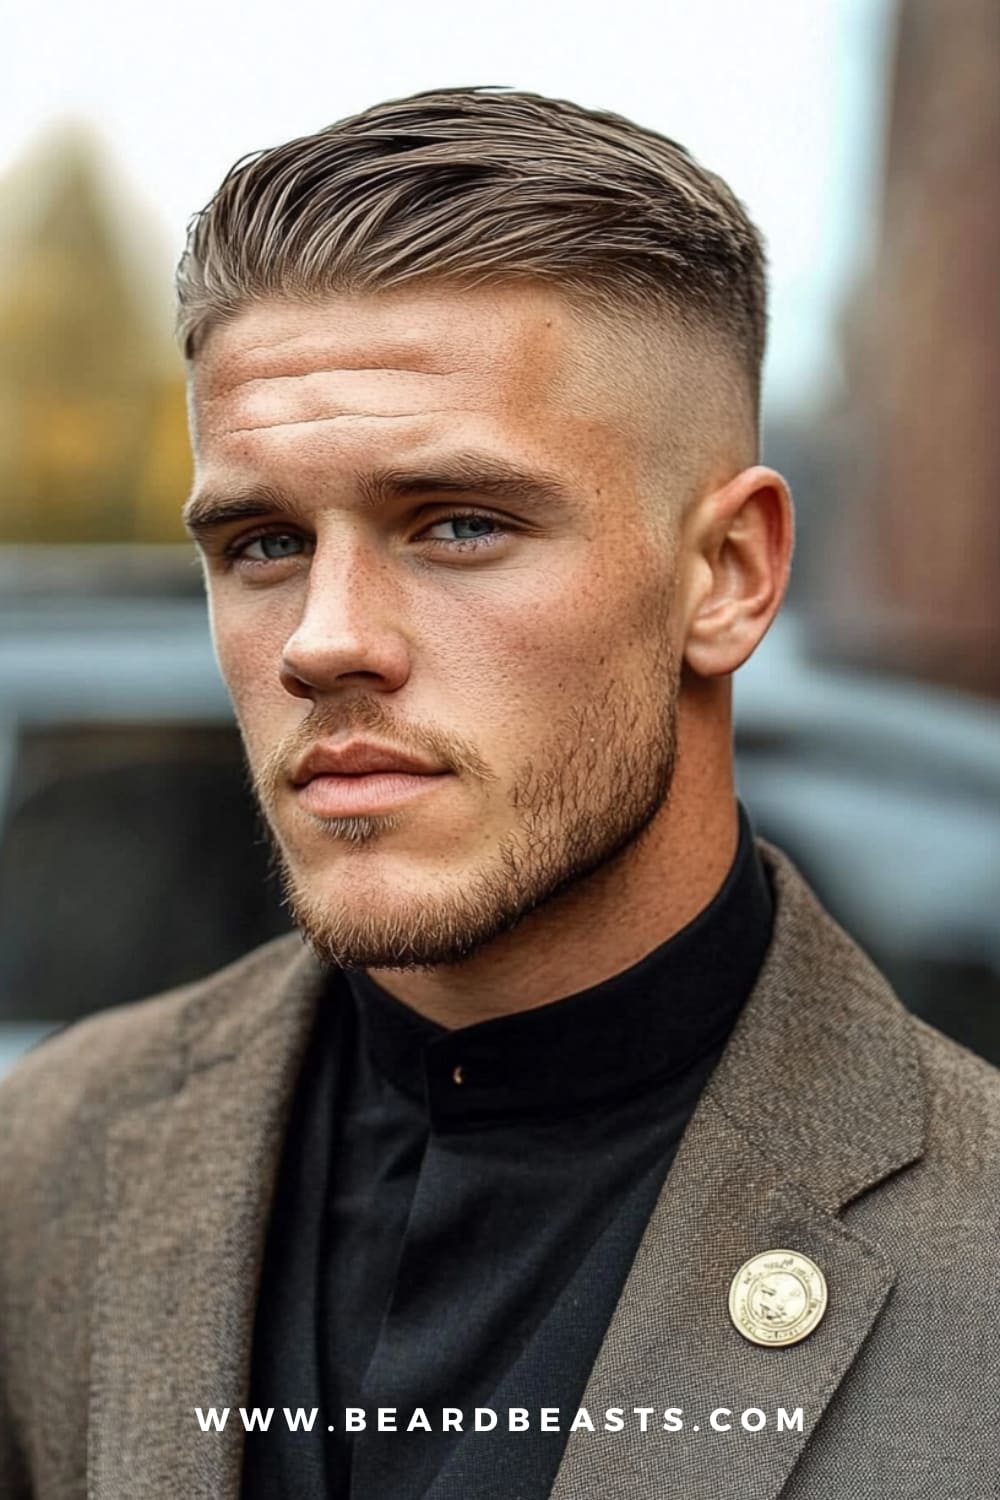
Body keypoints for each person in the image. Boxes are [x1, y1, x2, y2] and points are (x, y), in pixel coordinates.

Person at [1, 87, 998, 1500]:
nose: (326, 637)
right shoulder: (51, 1168)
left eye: (460, 523)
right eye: (264, 541)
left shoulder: (979, 1255)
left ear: (728, 575)